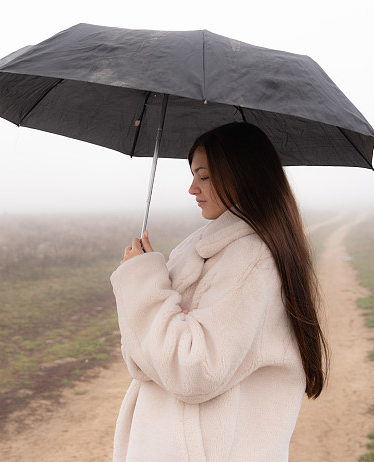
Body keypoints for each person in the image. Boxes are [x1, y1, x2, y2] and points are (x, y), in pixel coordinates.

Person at [110, 122, 328, 461]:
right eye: (194, 175)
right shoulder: (204, 247)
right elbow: (144, 360)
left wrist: (142, 282)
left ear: (242, 175)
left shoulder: (250, 258)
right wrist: (141, 278)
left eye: (204, 176)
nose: (192, 188)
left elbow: (195, 369)